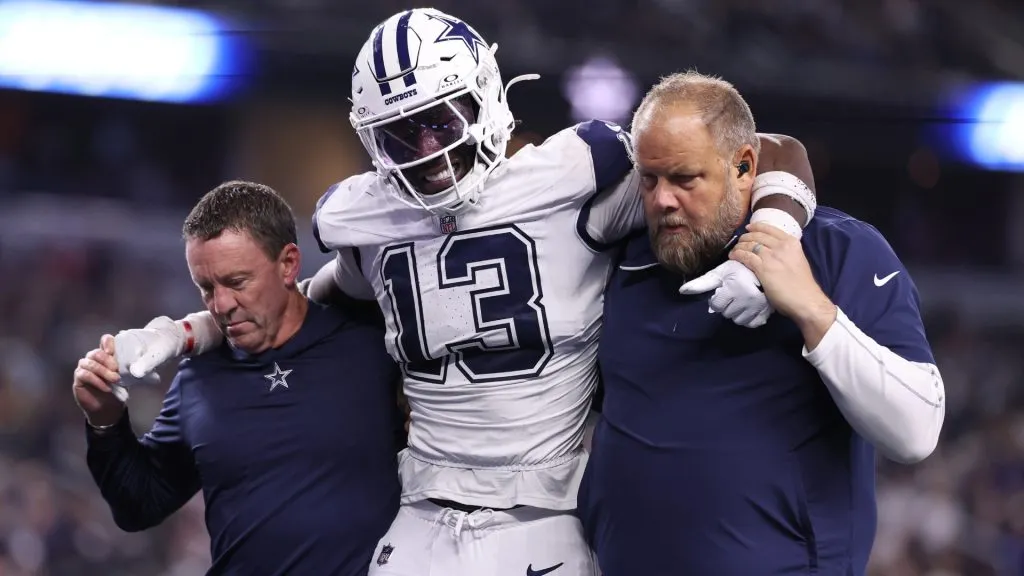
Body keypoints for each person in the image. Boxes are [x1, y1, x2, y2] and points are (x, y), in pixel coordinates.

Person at [105, 9, 817, 575]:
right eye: (401, 134)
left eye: (441, 122)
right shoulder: (365, 223)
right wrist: (186, 330)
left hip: (547, 513)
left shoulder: (576, 176)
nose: (428, 151)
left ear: (485, 98)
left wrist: (770, 243)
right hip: (419, 515)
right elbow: (297, 302)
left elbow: (769, 150)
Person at [577, 71, 946, 575]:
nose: (662, 200)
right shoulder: (624, 256)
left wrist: (810, 307)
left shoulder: (835, 250)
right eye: (650, 179)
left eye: (685, 179)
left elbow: (916, 432)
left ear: (745, 167)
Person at [74, 181, 403, 576]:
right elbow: (138, 506)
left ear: (288, 264)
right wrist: (105, 422)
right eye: (206, 288)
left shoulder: (373, 345)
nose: (221, 304)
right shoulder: (198, 378)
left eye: (236, 282)